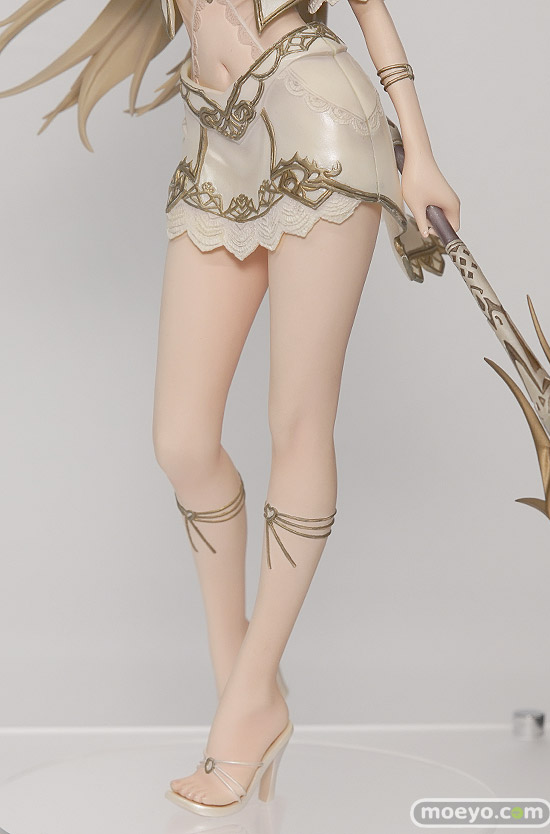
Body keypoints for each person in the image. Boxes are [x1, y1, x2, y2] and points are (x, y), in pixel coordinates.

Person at [0, 0, 460, 817]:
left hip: (318, 117)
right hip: (214, 132)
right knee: (182, 440)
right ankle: (247, 691)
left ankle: (244, 708)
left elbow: (369, 6)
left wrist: (419, 153)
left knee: (298, 421)